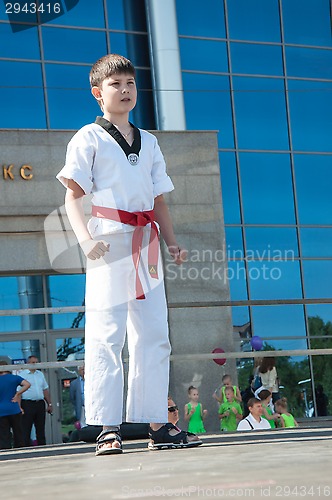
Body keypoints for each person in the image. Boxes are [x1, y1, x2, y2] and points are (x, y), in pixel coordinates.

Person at [56, 53, 199, 455]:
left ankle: (157, 424)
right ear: (98, 93)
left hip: (146, 243)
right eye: (116, 85)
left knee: (153, 334)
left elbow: (159, 202)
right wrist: (85, 240)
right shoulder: (88, 137)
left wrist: (171, 242)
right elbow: (72, 197)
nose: (125, 91)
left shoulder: (149, 141)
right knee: (106, 334)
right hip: (107, 240)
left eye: (131, 84)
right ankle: (106, 428)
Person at [19, 355, 53, 446]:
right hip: (27, 403)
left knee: (40, 427)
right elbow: (18, 392)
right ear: (28, 363)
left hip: (39, 403)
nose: (35, 364)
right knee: (26, 427)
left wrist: (49, 403)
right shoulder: (22, 375)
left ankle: (42, 447)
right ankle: (25, 447)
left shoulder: (40, 374)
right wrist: (19, 407)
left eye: (36, 362)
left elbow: (45, 390)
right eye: (33, 362)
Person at [0, 361, 31, 449]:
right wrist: (17, 394)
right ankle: (20, 450)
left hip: (1, 411)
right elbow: (27, 384)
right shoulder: (14, 378)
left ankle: (6, 452)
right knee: (18, 432)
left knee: (4, 434)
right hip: (14, 409)